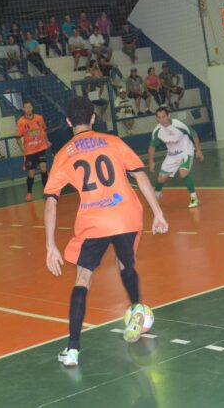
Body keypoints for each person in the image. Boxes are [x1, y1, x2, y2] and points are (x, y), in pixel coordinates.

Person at [44, 96, 168, 367]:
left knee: (83, 278)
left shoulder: (63, 154)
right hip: (126, 215)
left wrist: (50, 245)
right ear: (92, 118)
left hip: (94, 221)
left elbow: (51, 202)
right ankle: (136, 308)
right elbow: (140, 175)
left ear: (68, 122)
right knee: (125, 262)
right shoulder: (113, 141)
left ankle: (73, 349)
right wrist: (158, 213)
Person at [148, 106, 204, 208]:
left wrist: (199, 150)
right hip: (172, 155)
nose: (162, 120)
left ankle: (194, 198)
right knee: (161, 178)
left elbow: (193, 134)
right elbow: (152, 146)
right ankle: (157, 193)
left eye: (164, 117)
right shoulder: (157, 131)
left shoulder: (179, 125)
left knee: (183, 172)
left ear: (169, 115)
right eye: (159, 118)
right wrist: (151, 161)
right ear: (157, 118)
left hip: (186, 151)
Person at [15, 100, 50, 201]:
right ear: (23, 109)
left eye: (29, 107)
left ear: (32, 107)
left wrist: (46, 141)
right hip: (30, 151)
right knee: (31, 173)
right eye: (26, 107)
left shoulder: (39, 118)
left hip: (40, 148)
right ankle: (29, 192)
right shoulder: (21, 121)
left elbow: (44, 130)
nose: (28, 109)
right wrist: (23, 149)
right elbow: (17, 137)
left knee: (44, 169)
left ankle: (46, 191)